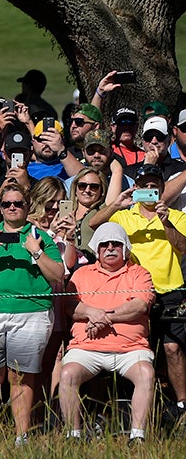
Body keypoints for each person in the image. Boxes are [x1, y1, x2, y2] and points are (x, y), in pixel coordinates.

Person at [0, 185, 64, 446]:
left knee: (21, 376)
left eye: (17, 203)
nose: (11, 207)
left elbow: (58, 274)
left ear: (27, 206)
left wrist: (36, 250)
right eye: (7, 203)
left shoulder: (40, 237)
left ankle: (22, 435)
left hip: (30, 312)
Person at [90, 164, 186, 423]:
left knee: (173, 348)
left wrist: (166, 223)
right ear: (138, 188)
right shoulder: (125, 214)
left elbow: (183, 247)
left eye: (154, 186)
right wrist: (116, 205)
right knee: (133, 348)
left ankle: (181, 405)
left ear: (162, 190)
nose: (149, 190)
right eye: (145, 186)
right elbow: (93, 224)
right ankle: (129, 405)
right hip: (131, 291)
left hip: (170, 290)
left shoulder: (175, 216)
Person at [59, 223, 156, 444]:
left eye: (116, 244)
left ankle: (137, 436)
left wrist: (102, 319)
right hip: (86, 349)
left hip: (130, 350)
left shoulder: (139, 273)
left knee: (146, 374)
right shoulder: (81, 274)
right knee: (67, 375)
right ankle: (73, 435)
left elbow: (140, 306)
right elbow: (69, 306)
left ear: (125, 248)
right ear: (97, 248)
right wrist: (92, 312)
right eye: (104, 244)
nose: (110, 248)